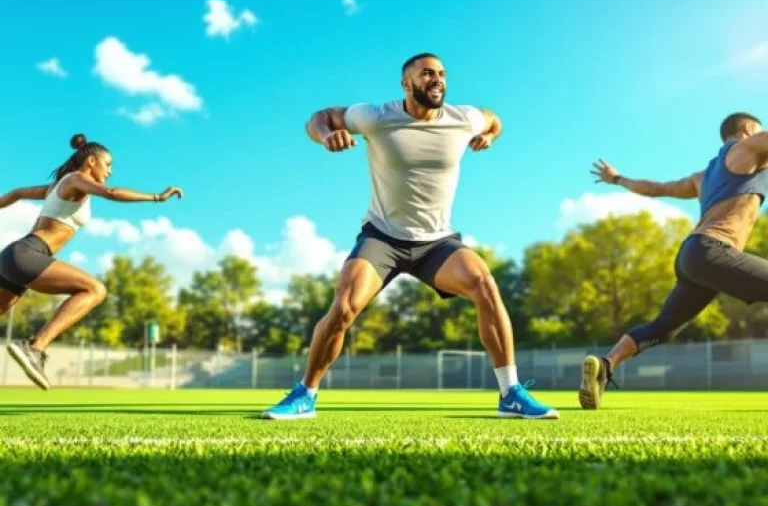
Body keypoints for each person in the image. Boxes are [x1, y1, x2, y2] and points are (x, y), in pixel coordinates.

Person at [264, 53, 559, 420]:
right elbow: (319, 117)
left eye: (442, 74)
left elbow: (494, 119)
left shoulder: (463, 119)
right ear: (406, 83)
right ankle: (305, 394)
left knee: (484, 284)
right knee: (344, 306)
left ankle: (511, 393)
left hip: (436, 242)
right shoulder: (376, 116)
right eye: (427, 74)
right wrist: (326, 135)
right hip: (383, 237)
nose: (437, 80)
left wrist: (489, 136)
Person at [579, 111, 768, 409]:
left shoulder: (701, 177)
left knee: (661, 327)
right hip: (714, 250)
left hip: (691, 256)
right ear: (747, 129)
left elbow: (657, 189)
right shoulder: (748, 146)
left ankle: (606, 364)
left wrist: (617, 178)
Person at [1, 134, 183, 389]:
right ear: (91, 161)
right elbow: (111, 192)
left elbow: (17, 193)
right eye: (108, 164)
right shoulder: (75, 179)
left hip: (12, 257)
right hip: (28, 254)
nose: (110, 171)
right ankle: (35, 347)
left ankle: (35, 348)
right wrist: (157, 197)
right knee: (95, 290)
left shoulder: (55, 187)